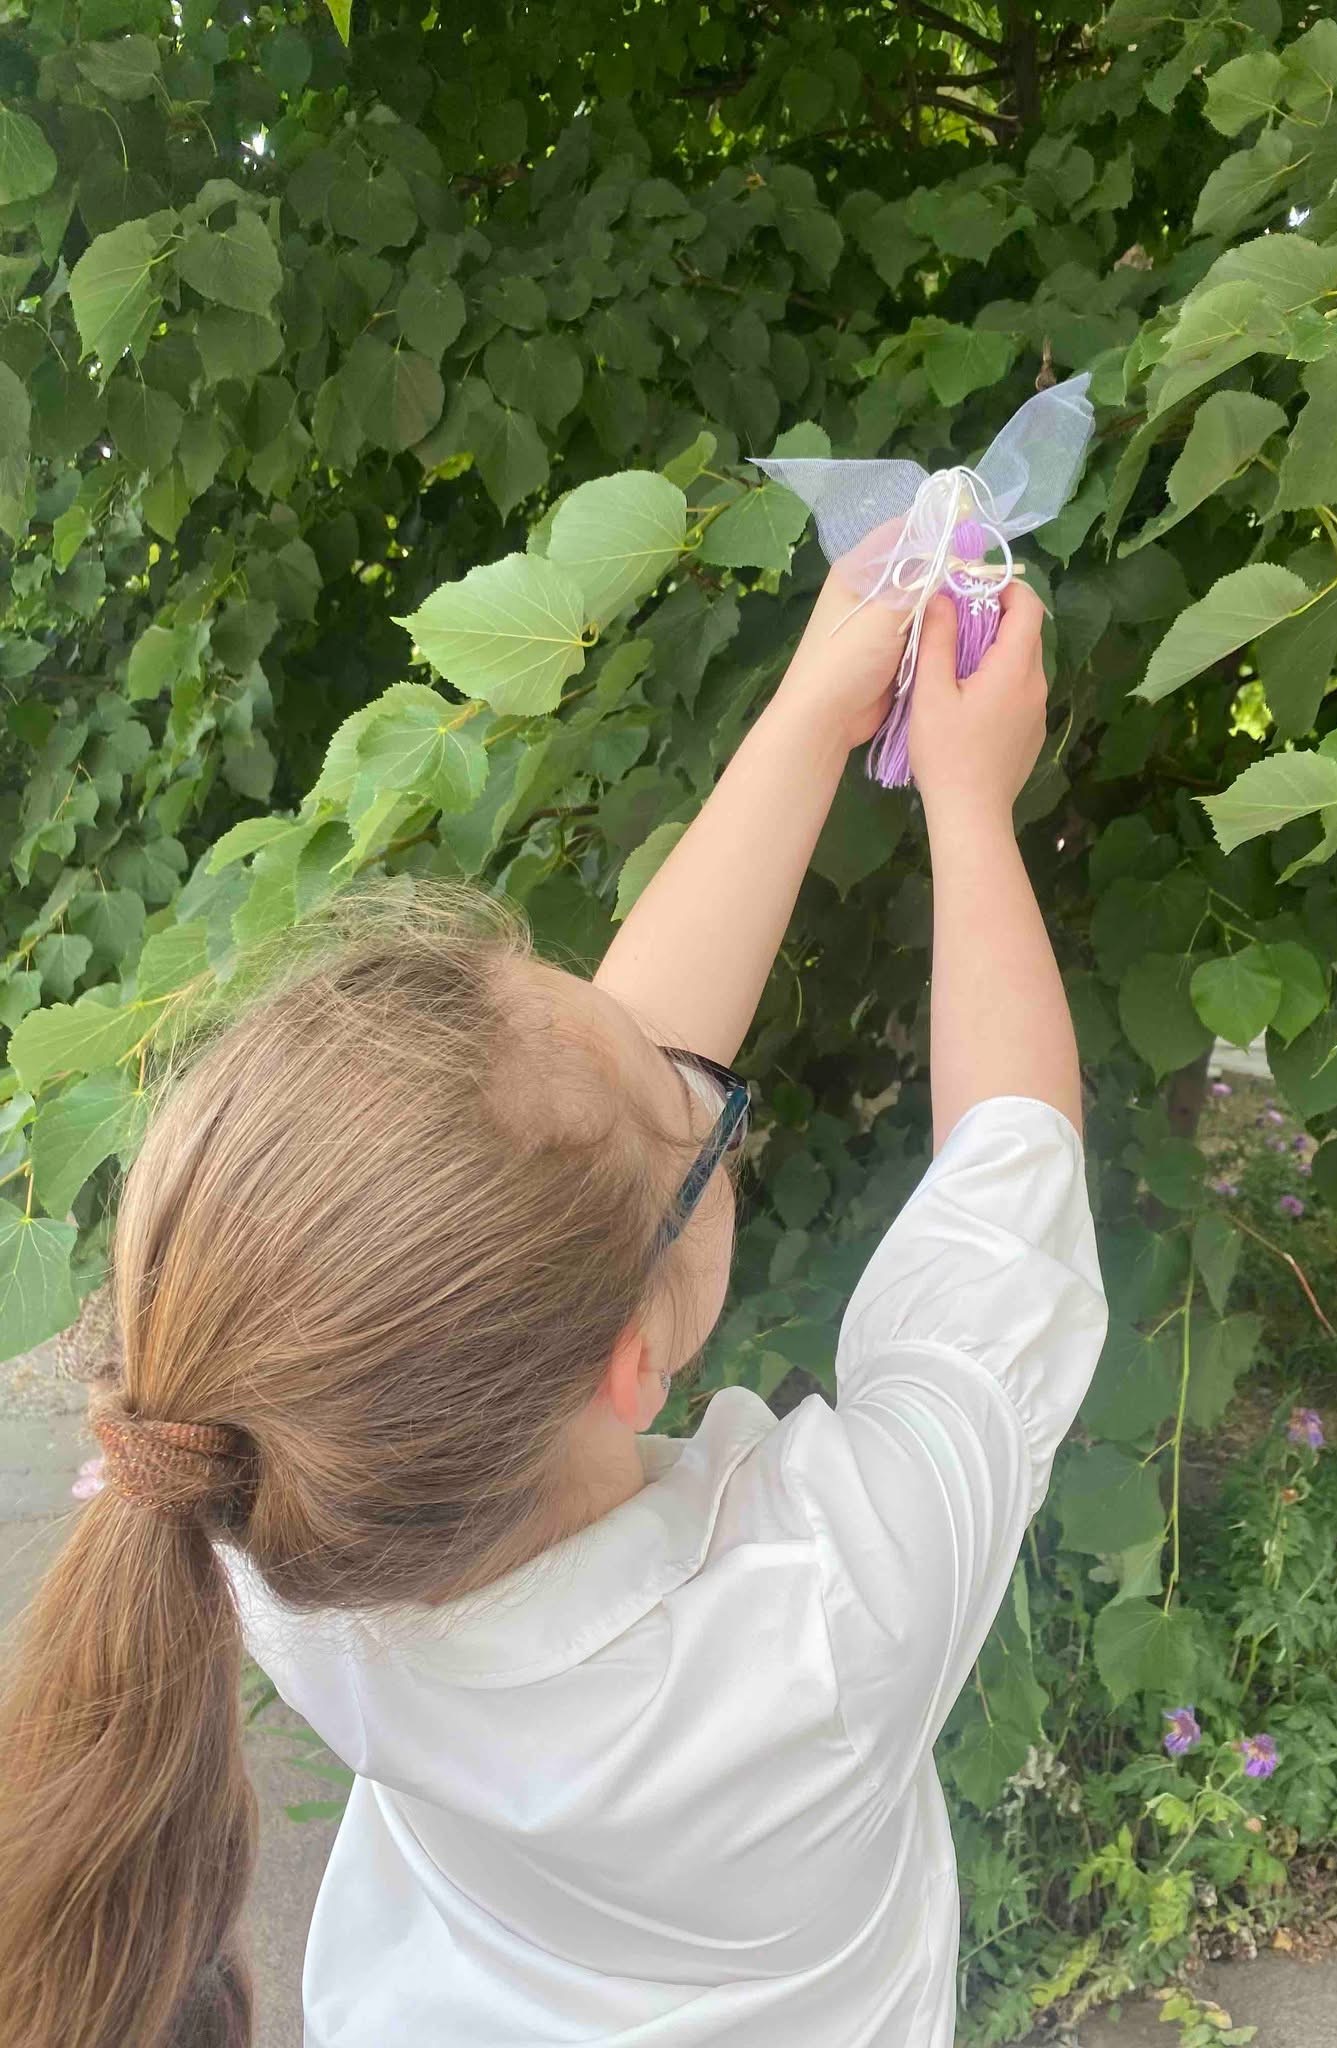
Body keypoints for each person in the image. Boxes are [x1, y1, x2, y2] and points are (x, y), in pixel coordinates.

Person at [0, 569, 1106, 2048]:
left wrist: (809, 714)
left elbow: (572, 1123)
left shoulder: (265, 1504)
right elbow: (1007, 1179)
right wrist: (970, 805)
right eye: (696, 1111)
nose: (684, 1070)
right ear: (630, 1359)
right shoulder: (828, 1618)